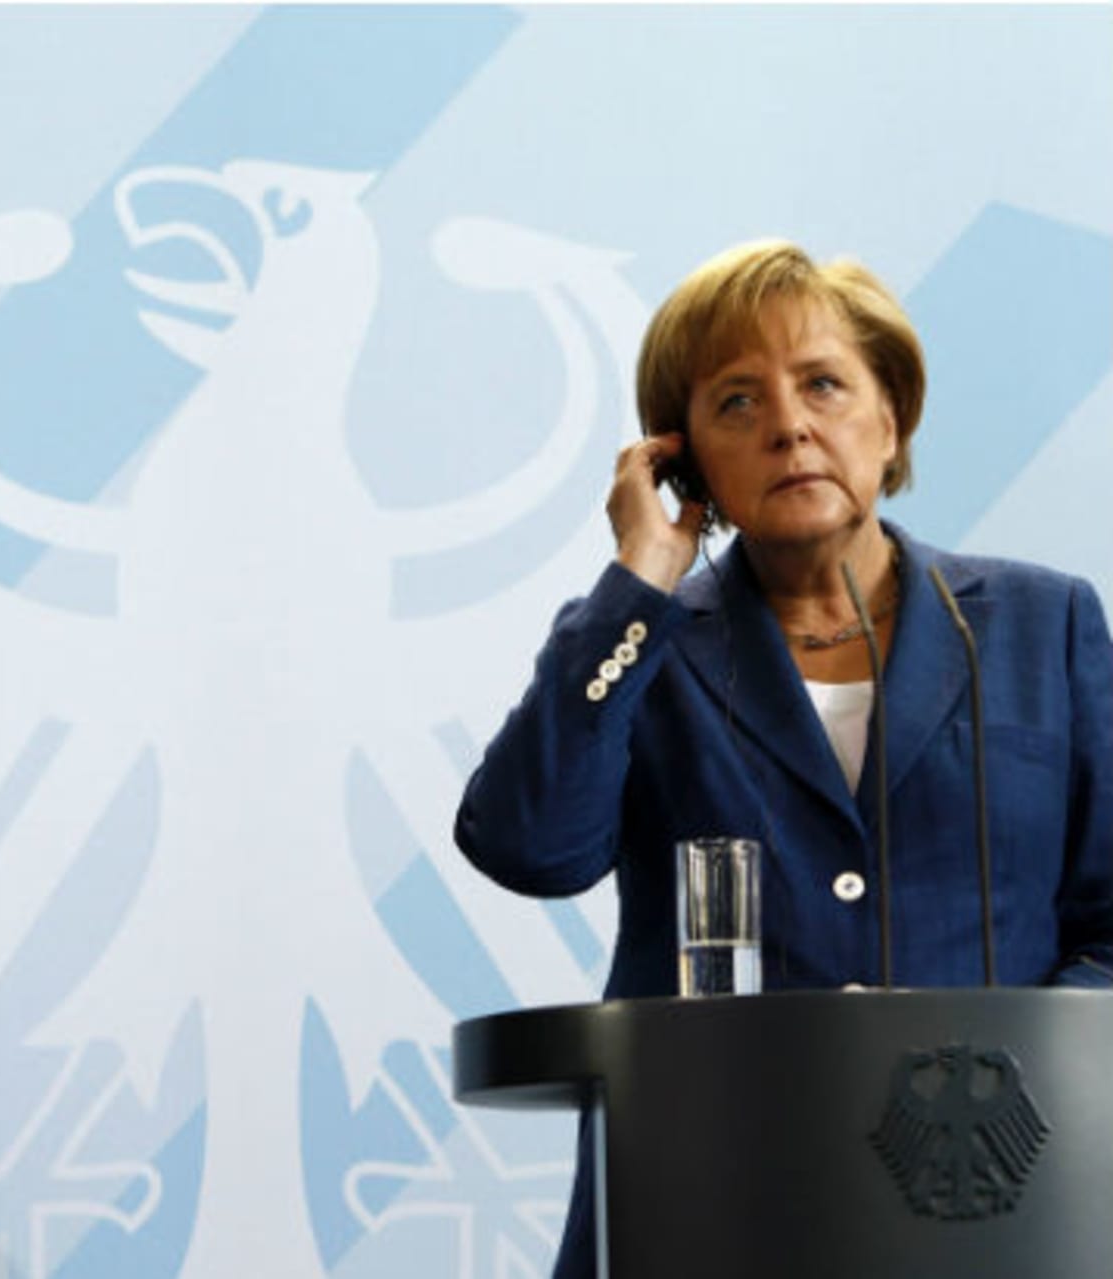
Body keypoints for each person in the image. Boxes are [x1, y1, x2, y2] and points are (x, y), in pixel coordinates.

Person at [453, 239, 1113, 1278]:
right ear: (685, 462)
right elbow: (530, 846)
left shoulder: (1044, 622)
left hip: (987, 1208)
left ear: (888, 418)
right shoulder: (642, 644)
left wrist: (1003, 1063)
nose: (790, 425)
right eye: (736, 403)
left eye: (822, 384)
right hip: (707, 1196)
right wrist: (641, 579)